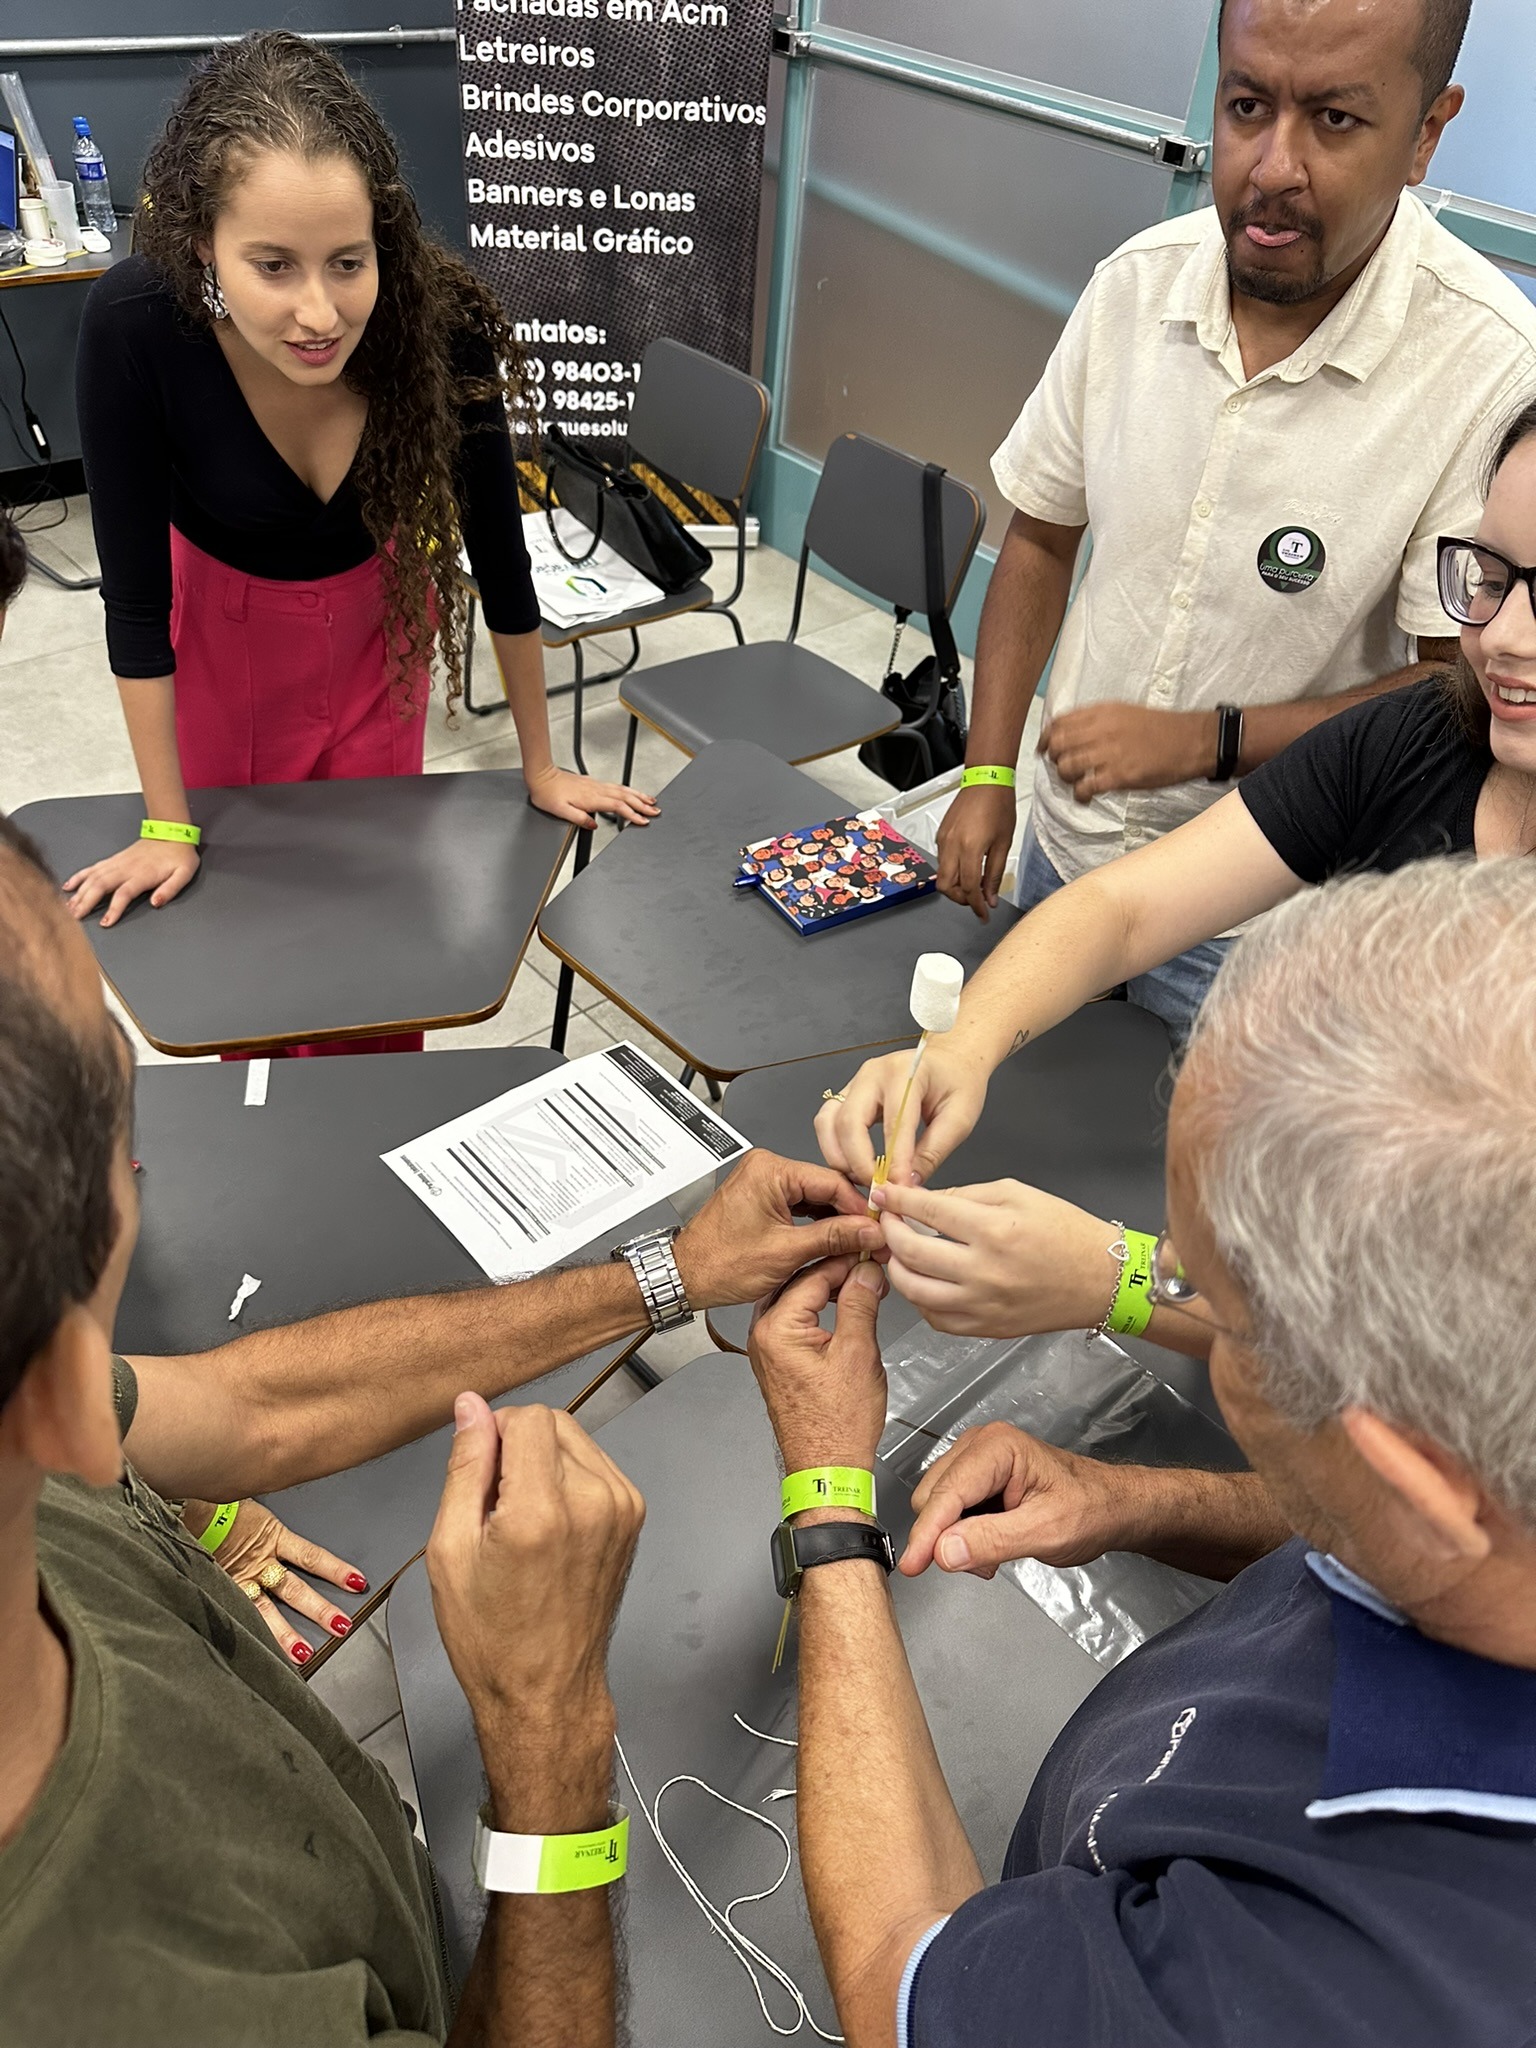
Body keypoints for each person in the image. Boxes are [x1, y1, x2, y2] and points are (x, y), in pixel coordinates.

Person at [0, 815, 884, 2043]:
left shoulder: (34, 1442)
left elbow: (256, 1404)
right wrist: (549, 1730)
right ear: (63, 1395)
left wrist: (672, 1268)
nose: (144, 1159)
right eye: (116, 1093)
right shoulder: (151, 1992)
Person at [750, 856, 1536, 2048]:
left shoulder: (1315, 1974)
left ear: (1408, 1467)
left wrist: (827, 1494)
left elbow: (897, 1970)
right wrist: (1141, 1498)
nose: (1162, 1293)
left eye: (1197, 1292)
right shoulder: (1476, 1498)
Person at [936, 0, 1536, 1036]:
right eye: (1247, 106)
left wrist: (1209, 740)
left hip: (1265, 925)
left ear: (1427, 134)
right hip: (1066, 851)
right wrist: (990, 767)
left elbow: (1457, 686)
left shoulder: (1486, 367)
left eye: (1336, 121)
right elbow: (1040, 534)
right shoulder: (1132, 289)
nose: (1271, 168)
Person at [820, 392, 1536, 1205]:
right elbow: (1124, 911)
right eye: (1490, 578)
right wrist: (960, 1046)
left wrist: (1119, 1282)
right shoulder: (1421, 737)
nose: (1504, 637)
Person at [63, 32, 656, 996]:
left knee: (385, 931)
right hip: (223, 646)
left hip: (380, 647)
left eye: (347, 262)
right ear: (202, 241)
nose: (318, 313)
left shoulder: (434, 317)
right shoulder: (136, 326)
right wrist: (166, 824)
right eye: (272, 266)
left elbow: (502, 558)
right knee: (250, 946)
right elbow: (132, 605)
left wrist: (541, 767)